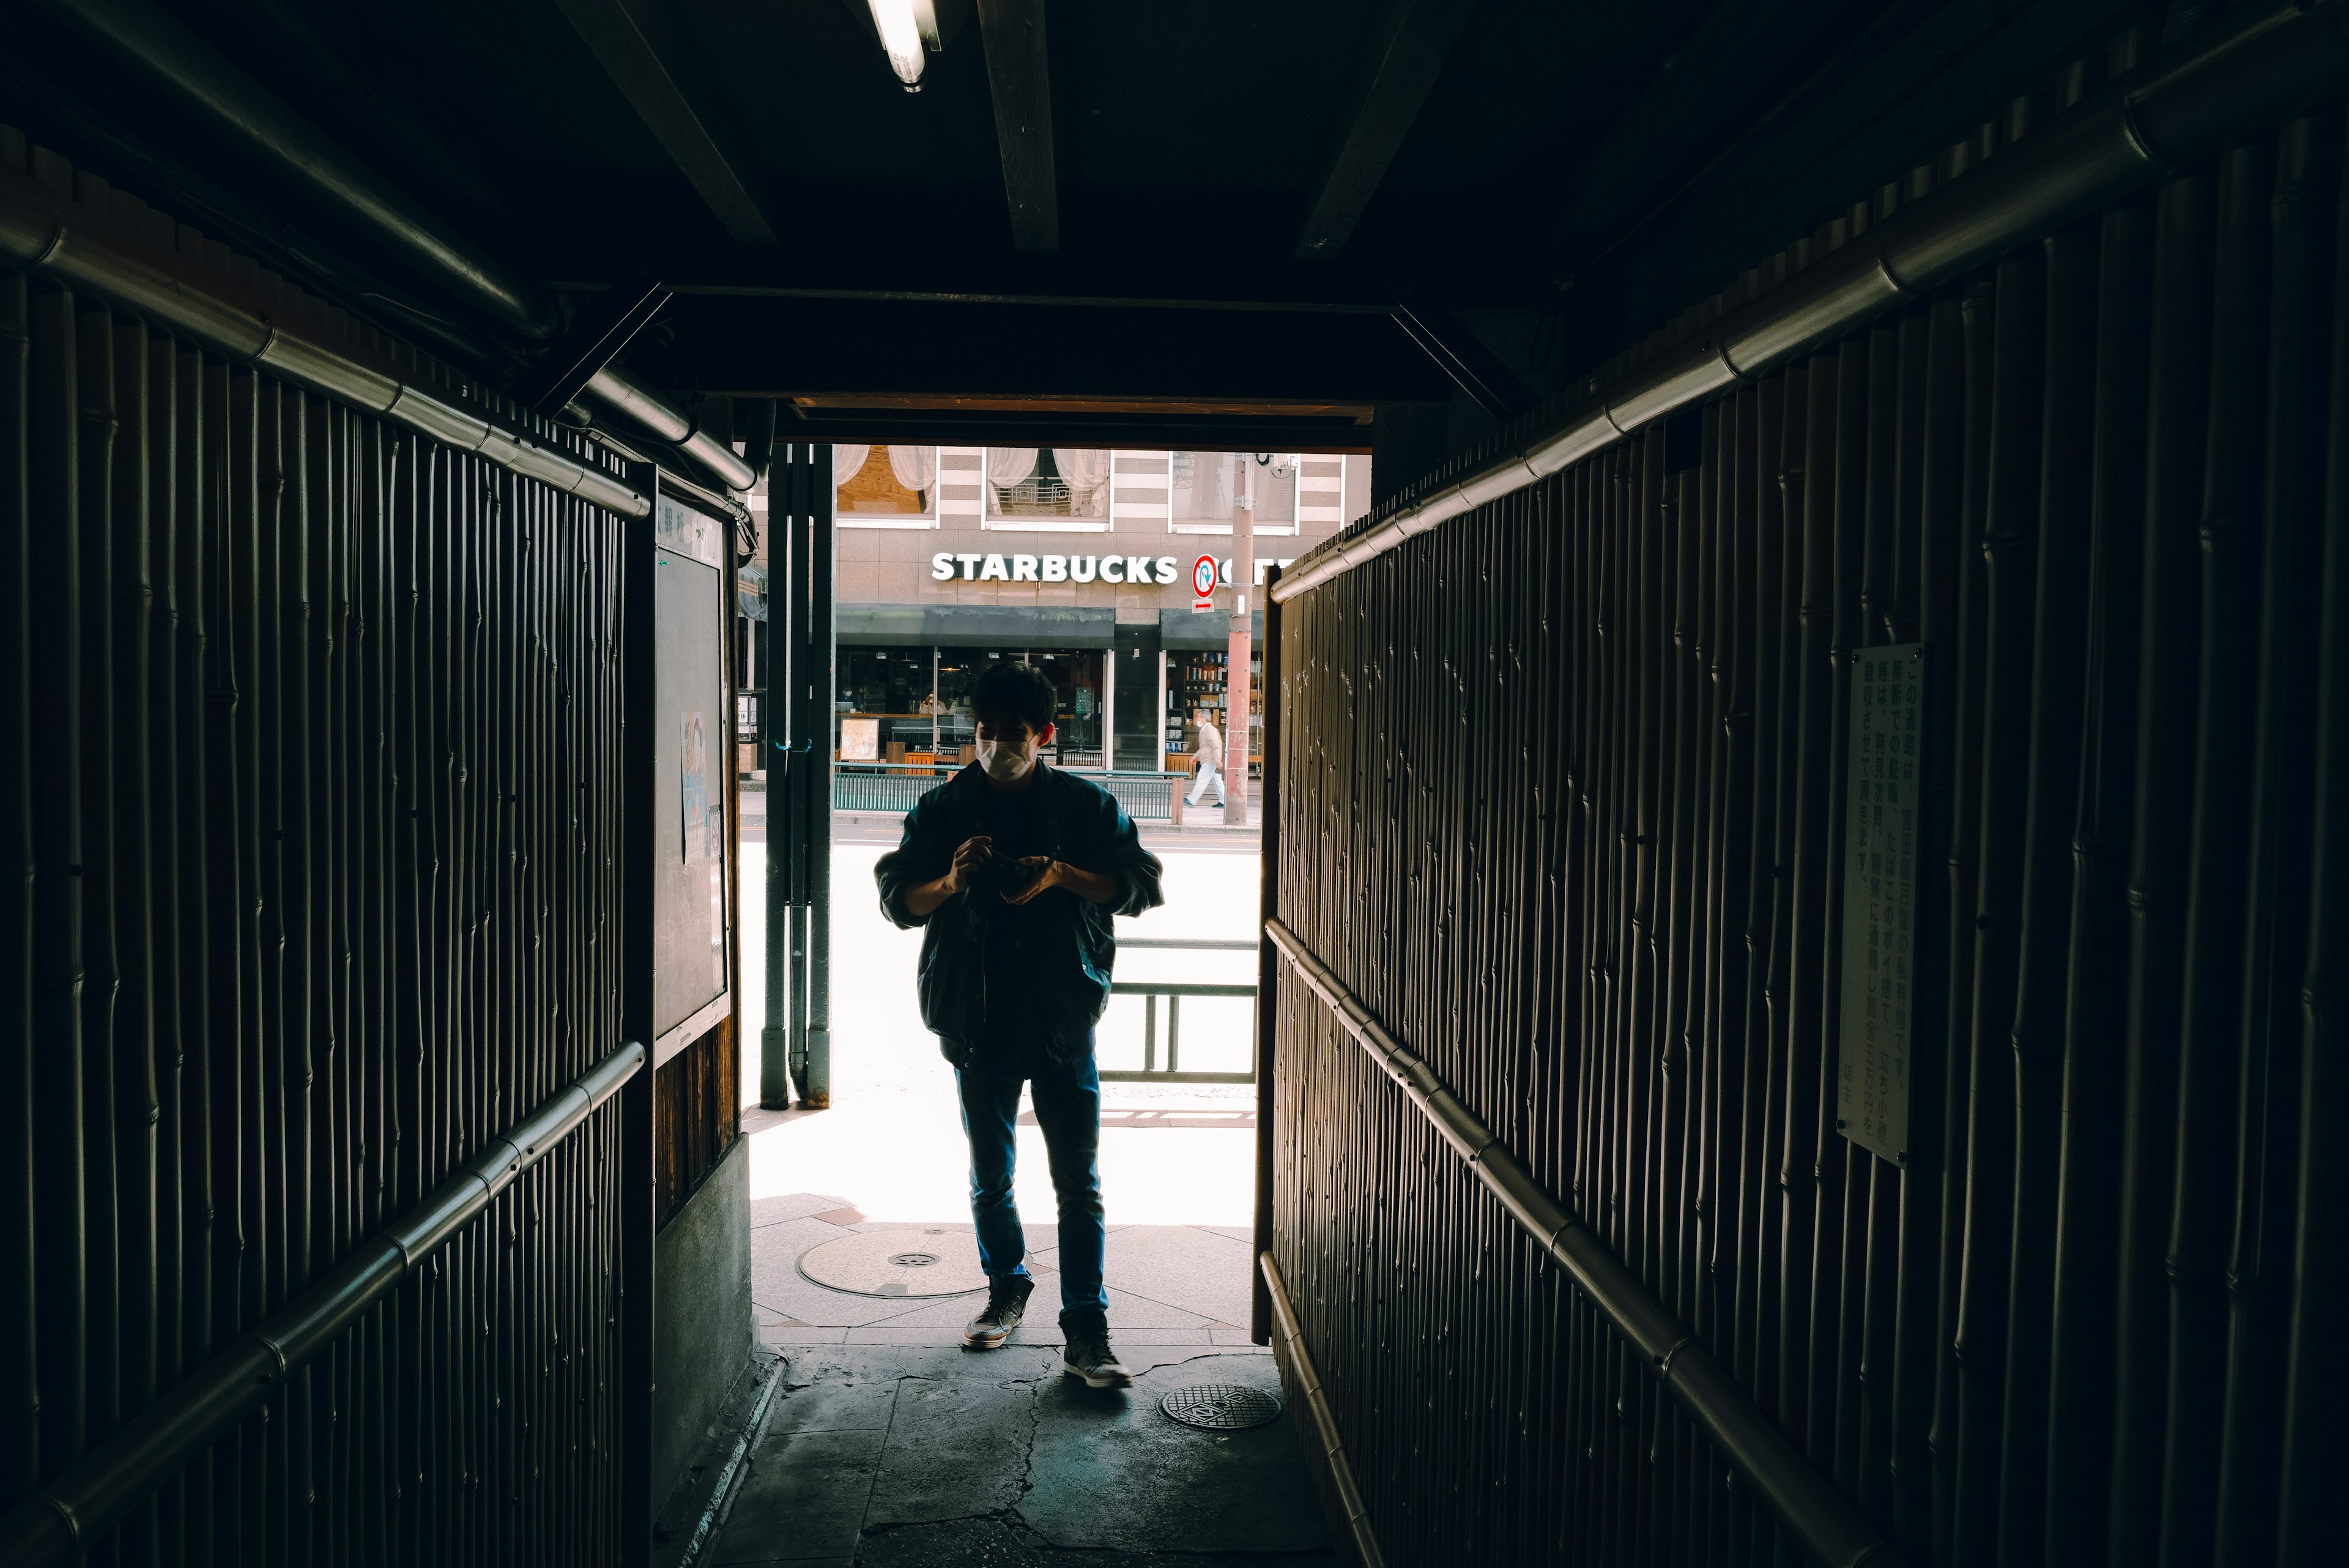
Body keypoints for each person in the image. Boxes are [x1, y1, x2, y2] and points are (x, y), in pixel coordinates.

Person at [874, 661, 1165, 1387]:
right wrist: (951, 878)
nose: (998, 743)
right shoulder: (944, 808)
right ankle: (1007, 1285)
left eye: (1014, 732)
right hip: (974, 1024)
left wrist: (1062, 874)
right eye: (987, 730)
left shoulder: (1083, 806)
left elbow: (1142, 884)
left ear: (1045, 734)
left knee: (1078, 1181)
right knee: (991, 1176)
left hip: (1064, 1021)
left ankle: (1087, 1328)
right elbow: (897, 900)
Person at [1186, 707, 1226, 808]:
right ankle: (1224, 801)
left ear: (1204, 719)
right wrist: (1195, 757)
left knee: (1202, 779)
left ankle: (1192, 800)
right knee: (1217, 781)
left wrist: (1217, 759)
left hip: (1210, 760)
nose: (1197, 720)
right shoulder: (1206, 730)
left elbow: (1216, 744)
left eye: (1198, 717)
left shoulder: (1209, 729)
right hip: (1210, 759)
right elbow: (1205, 747)